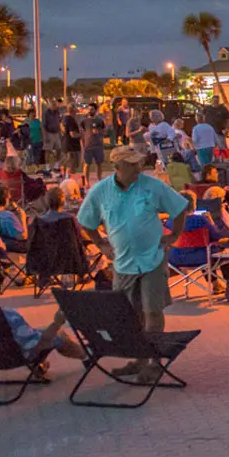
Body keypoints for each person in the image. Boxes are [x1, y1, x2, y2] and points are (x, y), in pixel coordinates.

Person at [77, 147, 191, 379]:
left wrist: (173, 236)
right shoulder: (100, 191)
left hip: (152, 259)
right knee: (130, 315)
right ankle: (139, 359)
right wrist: (100, 244)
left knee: (152, 312)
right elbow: (86, 221)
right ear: (117, 167)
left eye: (139, 163)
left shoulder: (152, 185)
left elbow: (179, 207)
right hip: (123, 263)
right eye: (132, 164)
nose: (139, 167)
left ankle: (154, 362)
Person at [0, 274, 85, 377]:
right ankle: (86, 356)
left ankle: (41, 365)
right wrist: (57, 322)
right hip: (10, 356)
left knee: (35, 334)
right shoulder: (6, 316)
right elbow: (37, 343)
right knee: (59, 334)